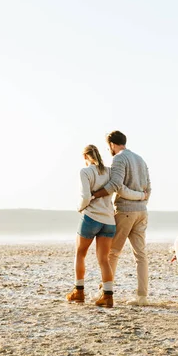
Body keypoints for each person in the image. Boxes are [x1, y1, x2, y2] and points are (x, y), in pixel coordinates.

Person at [65, 144, 147, 308]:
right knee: (104, 259)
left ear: (85, 157)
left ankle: (79, 291)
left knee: (80, 254)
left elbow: (85, 196)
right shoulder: (110, 171)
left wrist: (80, 208)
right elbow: (119, 188)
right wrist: (141, 196)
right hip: (109, 220)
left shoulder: (85, 172)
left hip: (91, 218)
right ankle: (108, 296)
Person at [92, 131, 152, 306]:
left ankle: (105, 292)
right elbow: (148, 190)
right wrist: (141, 197)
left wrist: (95, 194)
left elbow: (116, 186)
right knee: (140, 255)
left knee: (112, 253)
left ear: (111, 144)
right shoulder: (140, 159)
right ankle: (142, 297)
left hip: (125, 211)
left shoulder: (119, 158)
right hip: (142, 212)